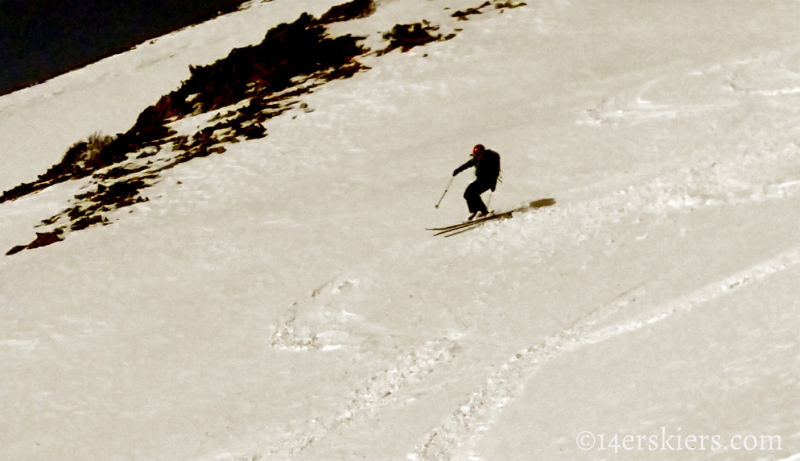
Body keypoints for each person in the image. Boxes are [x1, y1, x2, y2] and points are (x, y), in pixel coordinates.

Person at [452, 144, 501, 220]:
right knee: (467, 194)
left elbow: (495, 172)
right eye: (475, 155)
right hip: (480, 179)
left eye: (478, 154)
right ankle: (475, 211)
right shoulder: (476, 159)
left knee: (473, 193)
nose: (477, 156)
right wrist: (458, 170)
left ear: (483, 152)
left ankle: (483, 211)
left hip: (488, 180)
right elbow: (467, 164)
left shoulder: (490, 158)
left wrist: (493, 183)